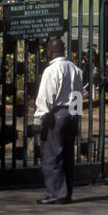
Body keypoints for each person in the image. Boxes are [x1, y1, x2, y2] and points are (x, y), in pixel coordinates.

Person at [32, 35, 84, 205]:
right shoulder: (75, 69)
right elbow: (78, 95)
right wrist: (76, 117)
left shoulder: (51, 70)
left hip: (55, 115)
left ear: (50, 51)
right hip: (71, 114)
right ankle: (66, 192)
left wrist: (38, 120)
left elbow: (45, 97)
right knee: (67, 155)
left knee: (51, 155)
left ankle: (56, 193)